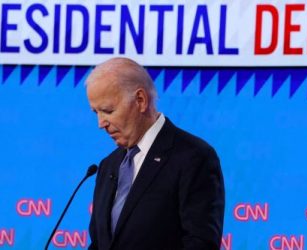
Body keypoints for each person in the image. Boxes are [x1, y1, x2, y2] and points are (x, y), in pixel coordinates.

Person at [86, 57, 225, 250]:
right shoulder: (108, 165)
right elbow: (100, 244)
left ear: (140, 100)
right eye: (96, 112)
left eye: (108, 111)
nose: (101, 123)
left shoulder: (193, 157)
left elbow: (200, 243)